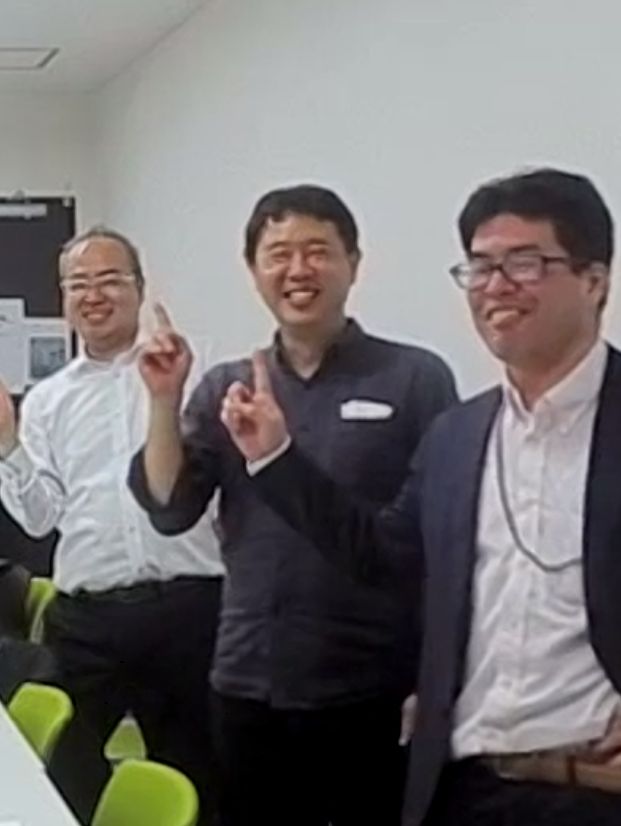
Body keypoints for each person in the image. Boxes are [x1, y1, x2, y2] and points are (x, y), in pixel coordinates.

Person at [229, 169, 621, 826]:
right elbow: (387, 559)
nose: (495, 286)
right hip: (477, 794)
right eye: (479, 267)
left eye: (525, 263)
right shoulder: (455, 437)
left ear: (594, 280)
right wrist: (275, 459)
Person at [129, 186, 458, 826]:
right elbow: (170, 507)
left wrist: (432, 679)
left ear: (353, 263)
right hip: (249, 677)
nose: (298, 270)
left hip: (370, 685)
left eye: (318, 251)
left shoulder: (415, 378)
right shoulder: (228, 387)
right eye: (278, 254)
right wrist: (164, 400)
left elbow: (435, 545)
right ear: (253, 270)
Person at [0, 226, 223, 825]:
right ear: (63, 298)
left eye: (110, 280)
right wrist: (5, 440)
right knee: (62, 773)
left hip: (189, 610)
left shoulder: (191, 371)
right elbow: (39, 519)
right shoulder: (49, 400)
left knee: (200, 780)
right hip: (89, 618)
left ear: (140, 288)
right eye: (79, 284)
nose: (94, 295)